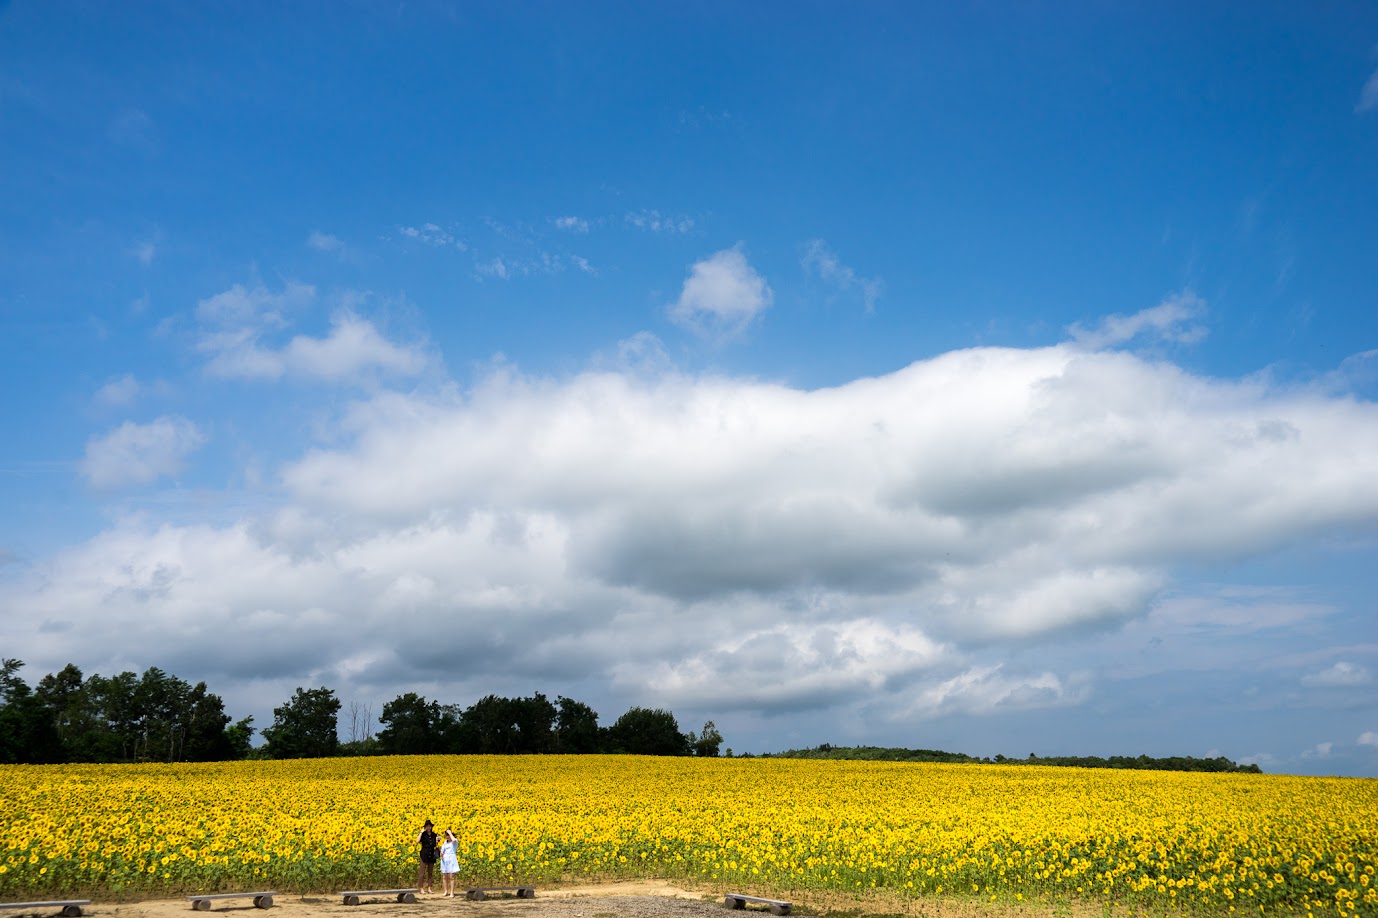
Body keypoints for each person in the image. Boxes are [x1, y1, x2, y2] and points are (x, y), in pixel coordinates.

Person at [416, 819, 439, 895]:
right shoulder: (423, 835)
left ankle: (429, 887)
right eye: (427, 826)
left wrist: (437, 840)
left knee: (430, 872)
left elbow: (435, 845)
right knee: (422, 872)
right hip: (424, 854)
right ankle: (421, 888)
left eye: (430, 826)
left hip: (431, 854)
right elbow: (417, 841)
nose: (429, 827)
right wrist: (421, 832)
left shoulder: (434, 835)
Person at [439, 829, 460, 897]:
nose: (447, 836)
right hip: (445, 859)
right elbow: (442, 851)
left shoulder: (454, 842)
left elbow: (454, 840)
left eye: (448, 835)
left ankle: (452, 892)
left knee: (451, 876)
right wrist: (441, 854)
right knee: (444, 876)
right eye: (446, 835)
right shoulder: (445, 842)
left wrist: (450, 833)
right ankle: (445, 891)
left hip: (451, 859)